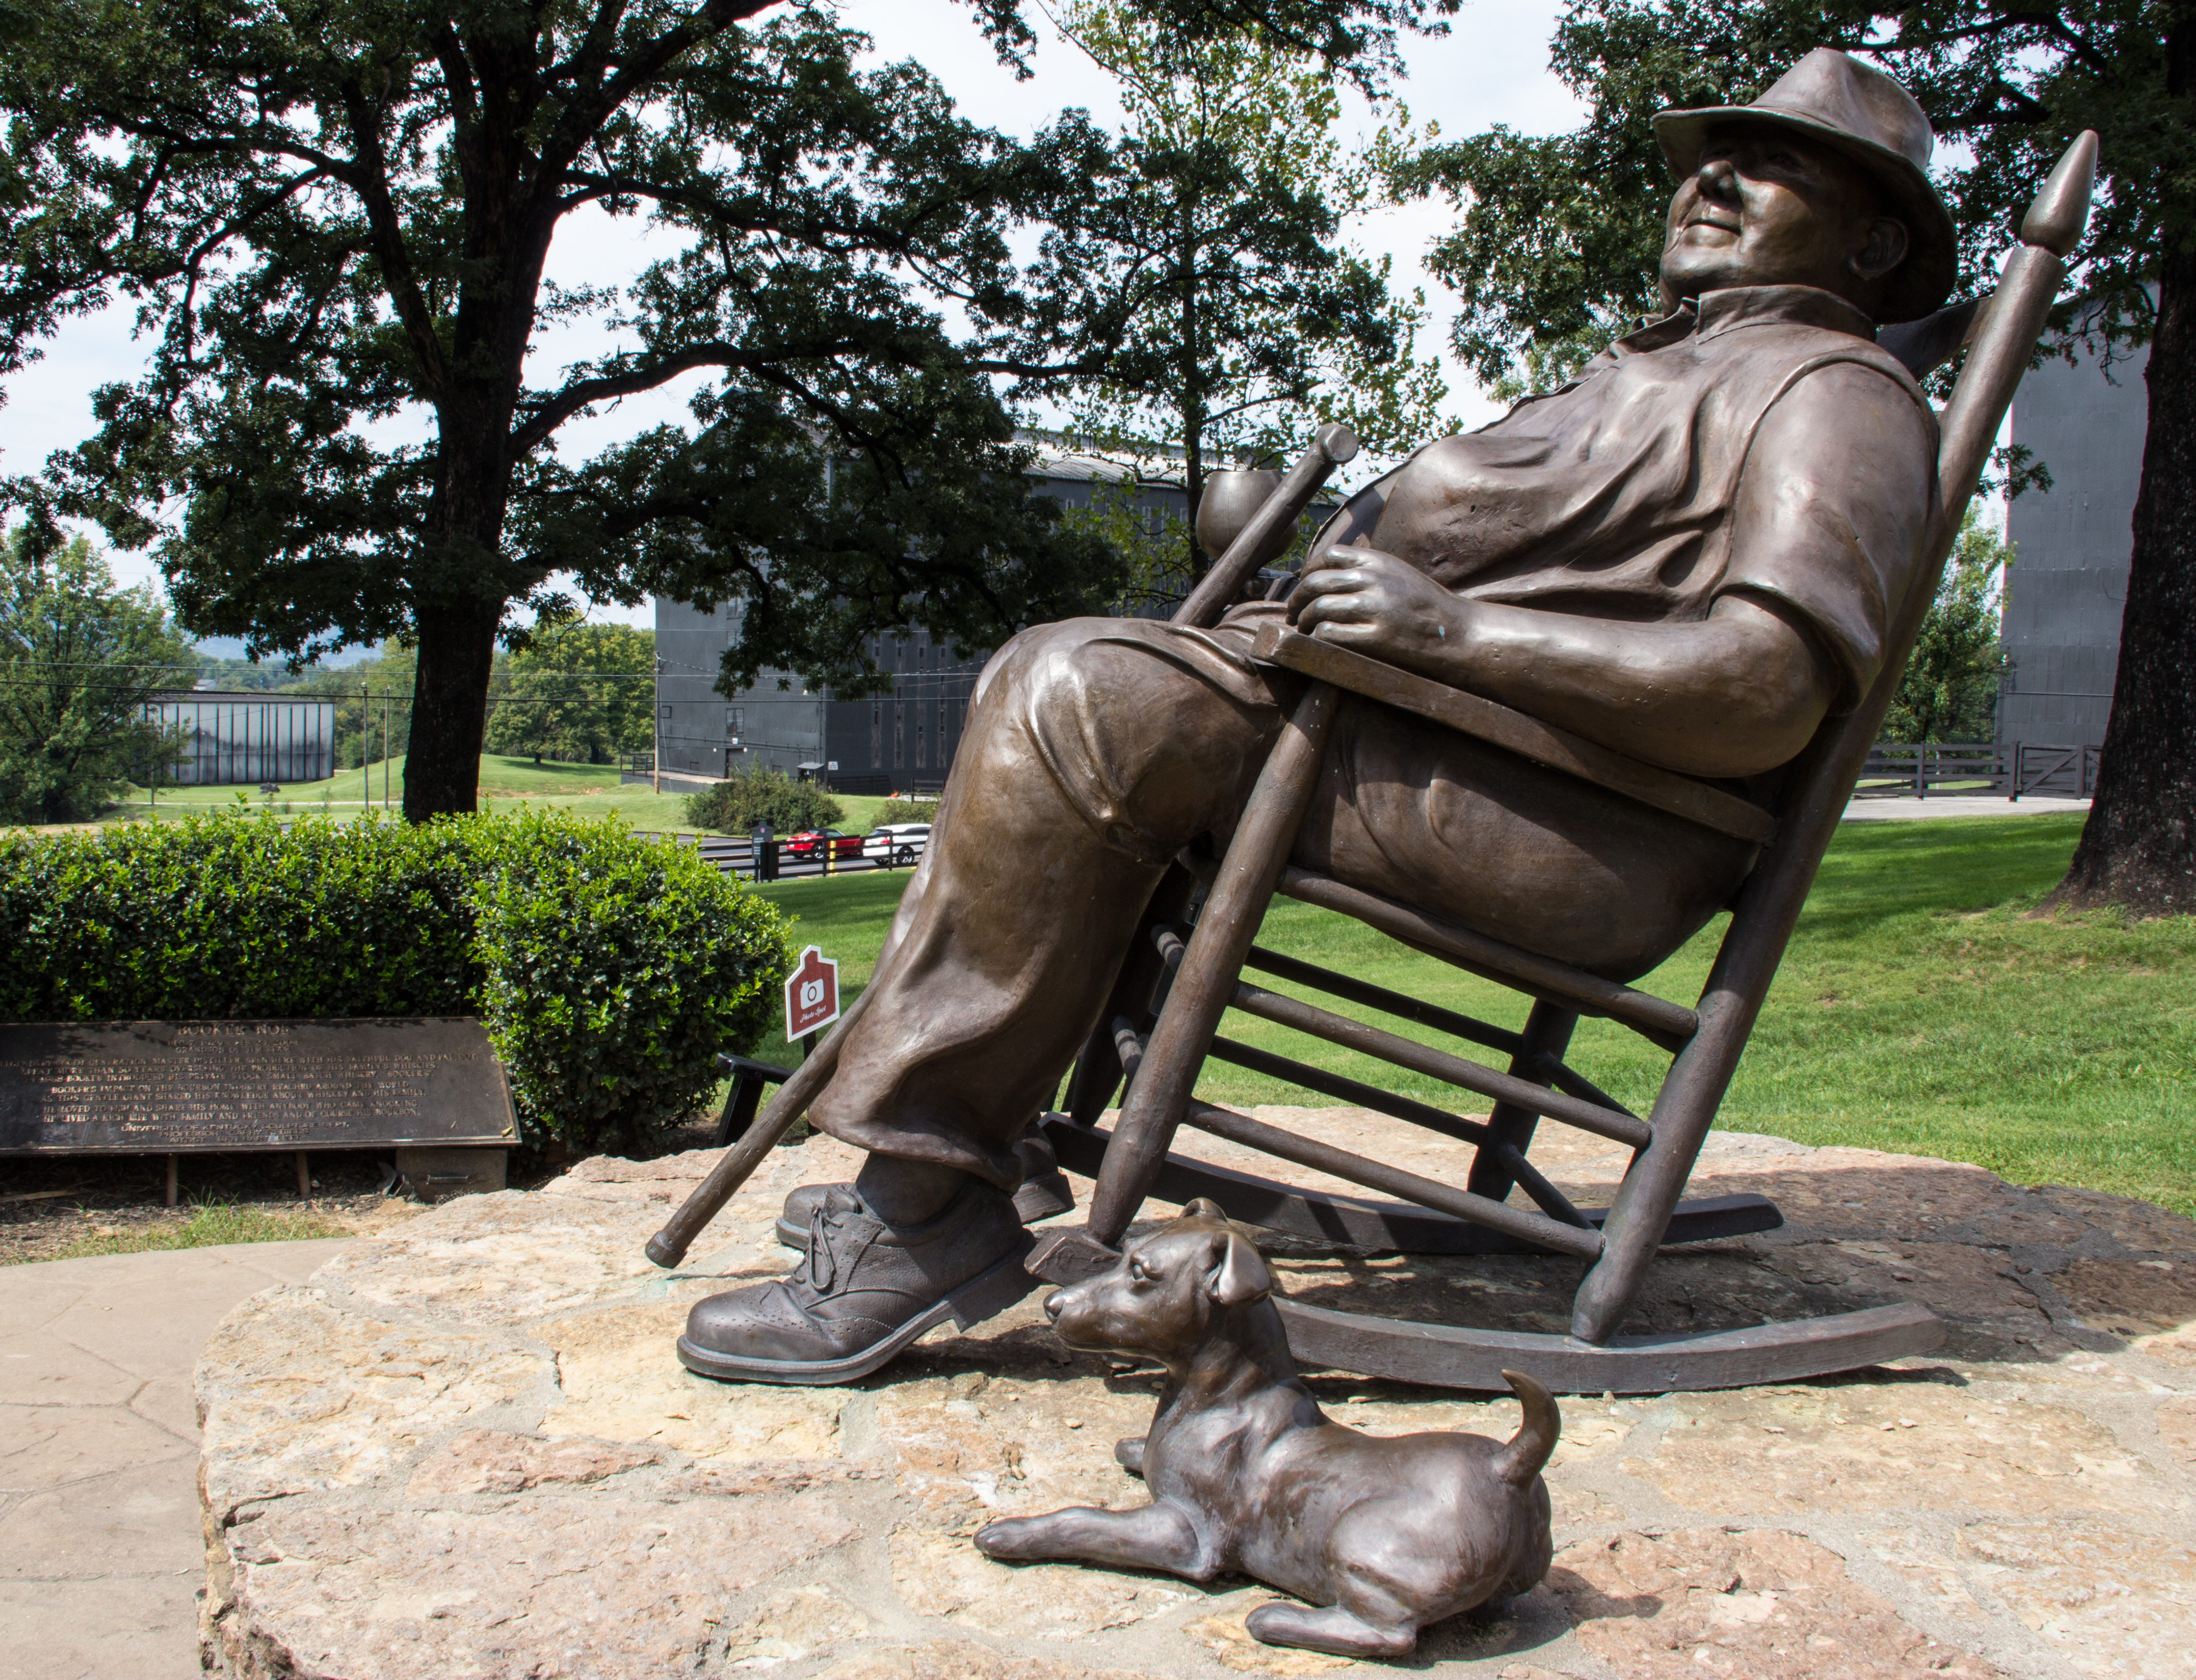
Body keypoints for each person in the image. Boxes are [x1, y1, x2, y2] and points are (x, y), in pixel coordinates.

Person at [676, 49, 1955, 1385]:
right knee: (1074, 679)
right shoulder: (1656, 371)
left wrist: (1449, 632)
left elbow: (1762, 688)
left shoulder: (1832, 396)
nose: (1711, 178)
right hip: (1413, 738)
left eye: (1770, 164)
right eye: (1704, 155)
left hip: (1573, 821)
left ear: (1871, 239)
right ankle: (949, 1154)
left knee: (1077, 697)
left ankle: (925, 1213)